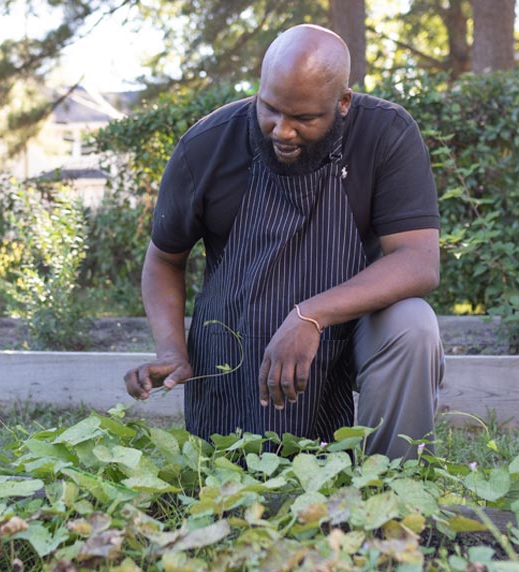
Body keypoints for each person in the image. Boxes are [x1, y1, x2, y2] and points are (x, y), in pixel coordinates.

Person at [124, 24, 444, 459]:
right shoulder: (206, 146)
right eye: (270, 108)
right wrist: (172, 350)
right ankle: (238, 478)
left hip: (351, 329)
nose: (282, 131)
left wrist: (311, 315)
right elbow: (164, 260)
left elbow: (418, 261)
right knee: (244, 472)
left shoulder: (385, 134)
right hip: (240, 332)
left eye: (304, 118)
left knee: (414, 326)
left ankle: (389, 491)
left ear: (344, 103)